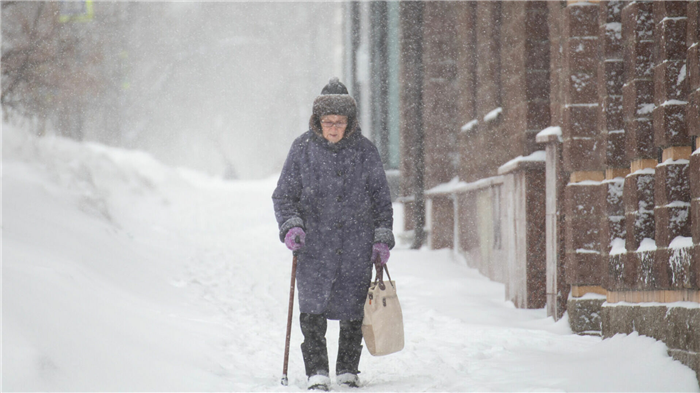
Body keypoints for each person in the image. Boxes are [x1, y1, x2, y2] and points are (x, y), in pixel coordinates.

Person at [272, 78, 394, 390]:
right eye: (328, 122)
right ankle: (316, 372)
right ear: (318, 122)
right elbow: (284, 196)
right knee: (312, 309)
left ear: (350, 122)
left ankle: (347, 371)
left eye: (340, 122)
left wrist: (381, 238)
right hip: (314, 247)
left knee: (353, 309)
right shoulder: (302, 149)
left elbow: (381, 199)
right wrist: (292, 226)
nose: (334, 128)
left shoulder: (366, 151)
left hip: (356, 244)